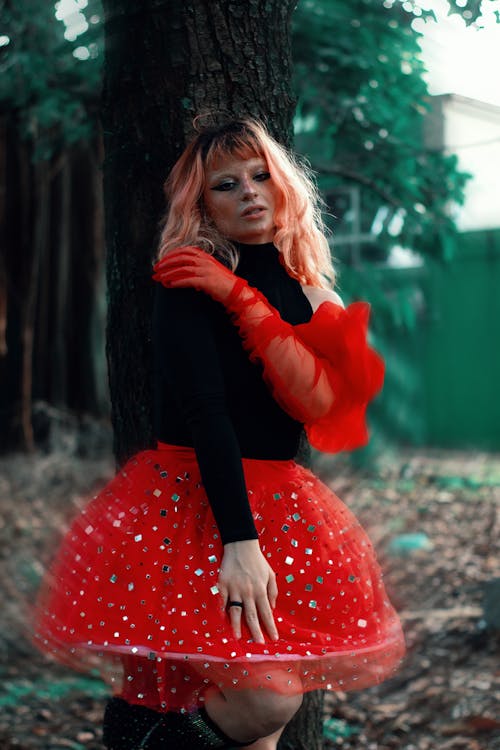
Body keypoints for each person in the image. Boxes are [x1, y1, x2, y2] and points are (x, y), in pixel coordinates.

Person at [33, 117, 405, 750]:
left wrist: (242, 298)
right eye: (226, 186)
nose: (250, 193)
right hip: (193, 496)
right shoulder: (186, 278)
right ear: (202, 205)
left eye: (261, 176)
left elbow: (319, 403)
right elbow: (206, 412)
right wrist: (240, 540)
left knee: (265, 718)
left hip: (282, 502)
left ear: (286, 184)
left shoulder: (316, 295)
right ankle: (143, 738)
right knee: (261, 699)